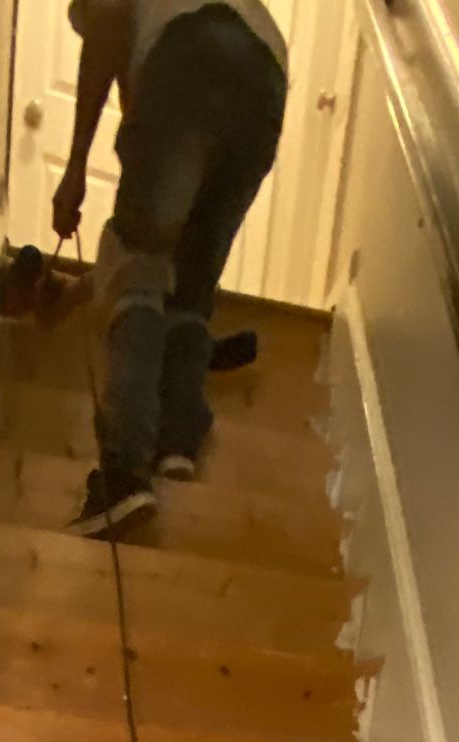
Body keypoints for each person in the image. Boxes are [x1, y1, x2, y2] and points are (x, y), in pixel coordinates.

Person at [54, 0, 288, 534]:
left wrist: (74, 170)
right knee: (193, 277)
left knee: (138, 267)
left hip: (190, 52)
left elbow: (108, 30)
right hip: (265, 75)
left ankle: (124, 476)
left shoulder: (122, 19)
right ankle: (176, 439)